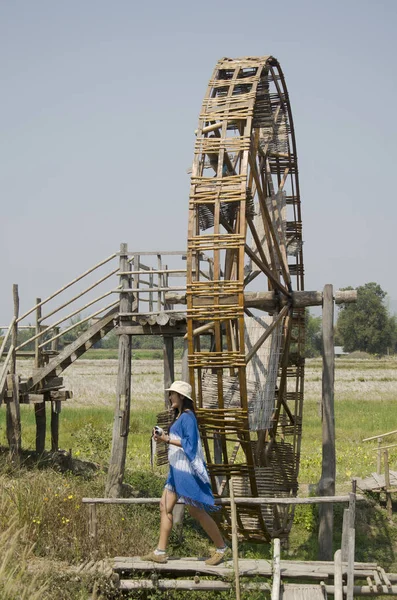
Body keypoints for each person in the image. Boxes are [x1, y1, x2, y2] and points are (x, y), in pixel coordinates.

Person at [141, 380, 230, 566]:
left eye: (172, 394)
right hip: (176, 469)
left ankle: (222, 548)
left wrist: (166, 439)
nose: (170, 396)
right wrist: (164, 436)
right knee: (164, 506)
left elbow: (189, 444)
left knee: (196, 510)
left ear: (181, 396)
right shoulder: (181, 416)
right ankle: (160, 551)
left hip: (186, 471)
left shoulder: (188, 417)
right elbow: (179, 439)